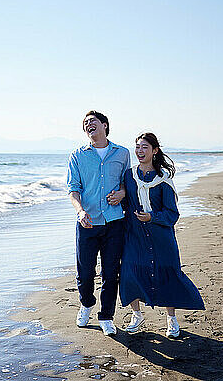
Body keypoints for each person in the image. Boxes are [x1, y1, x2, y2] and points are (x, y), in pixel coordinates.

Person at [119, 132, 205, 337]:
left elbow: (172, 213)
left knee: (167, 274)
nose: (140, 151)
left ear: (155, 150)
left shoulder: (163, 178)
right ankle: (136, 315)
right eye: (137, 147)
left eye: (145, 147)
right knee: (130, 273)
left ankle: (172, 319)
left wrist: (152, 217)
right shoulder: (129, 176)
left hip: (161, 237)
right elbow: (126, 202)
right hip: (135, 235)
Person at [66, 111, 131, 336]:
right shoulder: (77, 156)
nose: (88, 124)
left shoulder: (122, 153)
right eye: (85, 123)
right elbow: (73, 190)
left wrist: (122, 193)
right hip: (87, 222)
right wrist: (80, 211)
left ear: (104, 125)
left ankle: (106, 316)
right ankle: (86, 303)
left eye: (92, 121)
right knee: (85, 272)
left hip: (114, 221)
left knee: (111, 272)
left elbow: (127, 184)